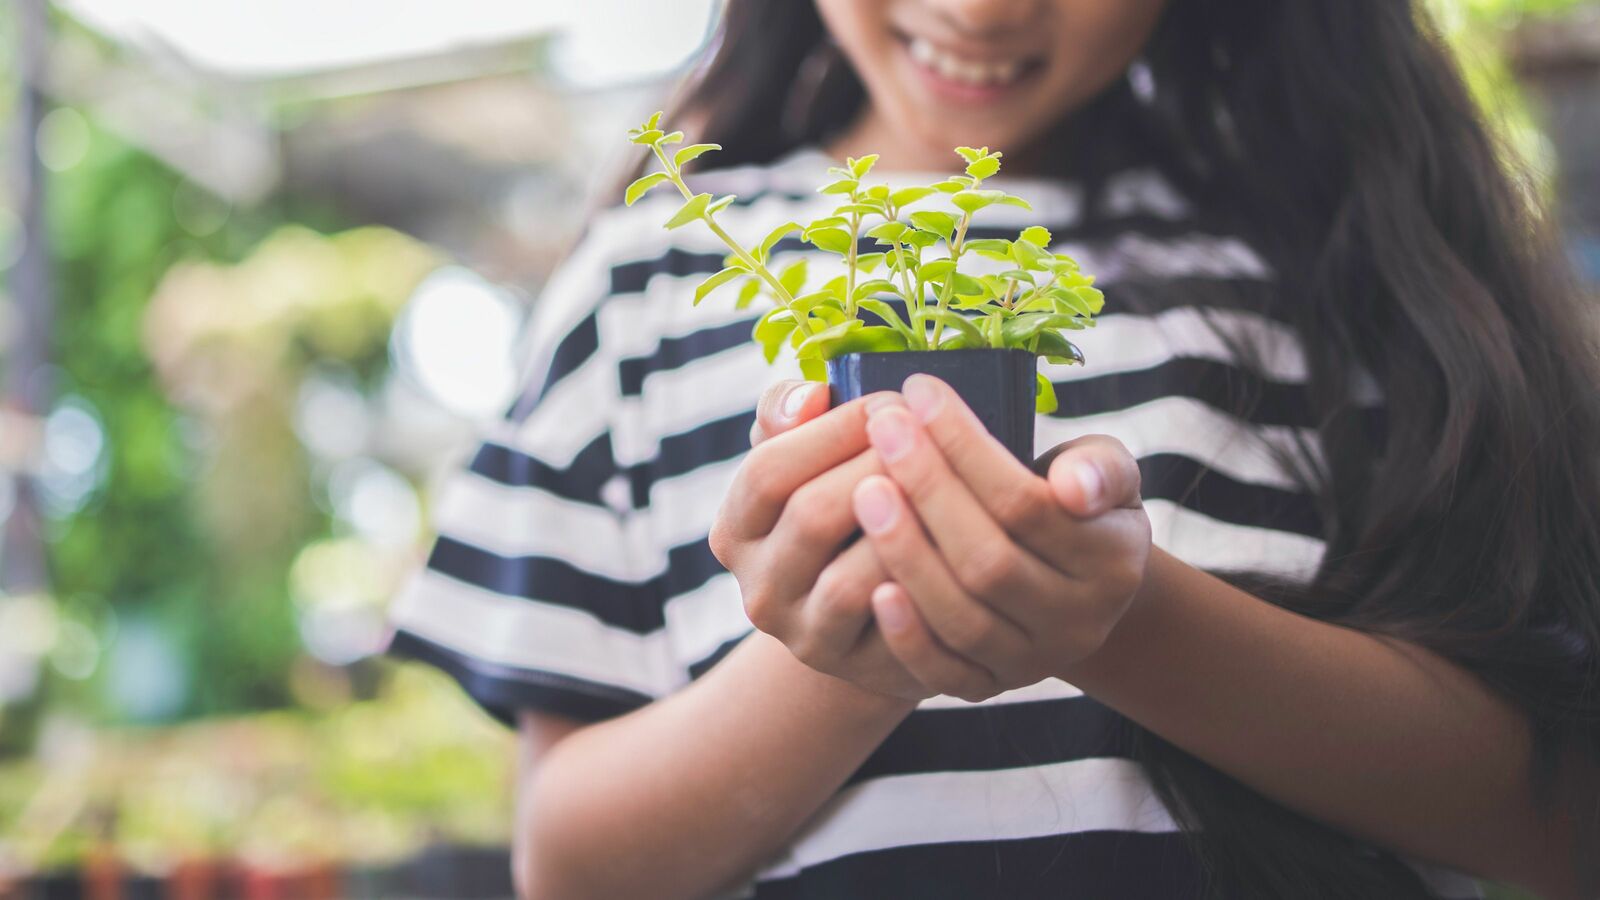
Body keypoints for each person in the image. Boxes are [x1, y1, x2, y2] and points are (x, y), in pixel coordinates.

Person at [386, 1, 1600, 897]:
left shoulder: (1347, 262)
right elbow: (571, 865)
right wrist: (865, 646)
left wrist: (1121, 620)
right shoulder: (643, 289)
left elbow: (1555, 821)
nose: (981, 8)